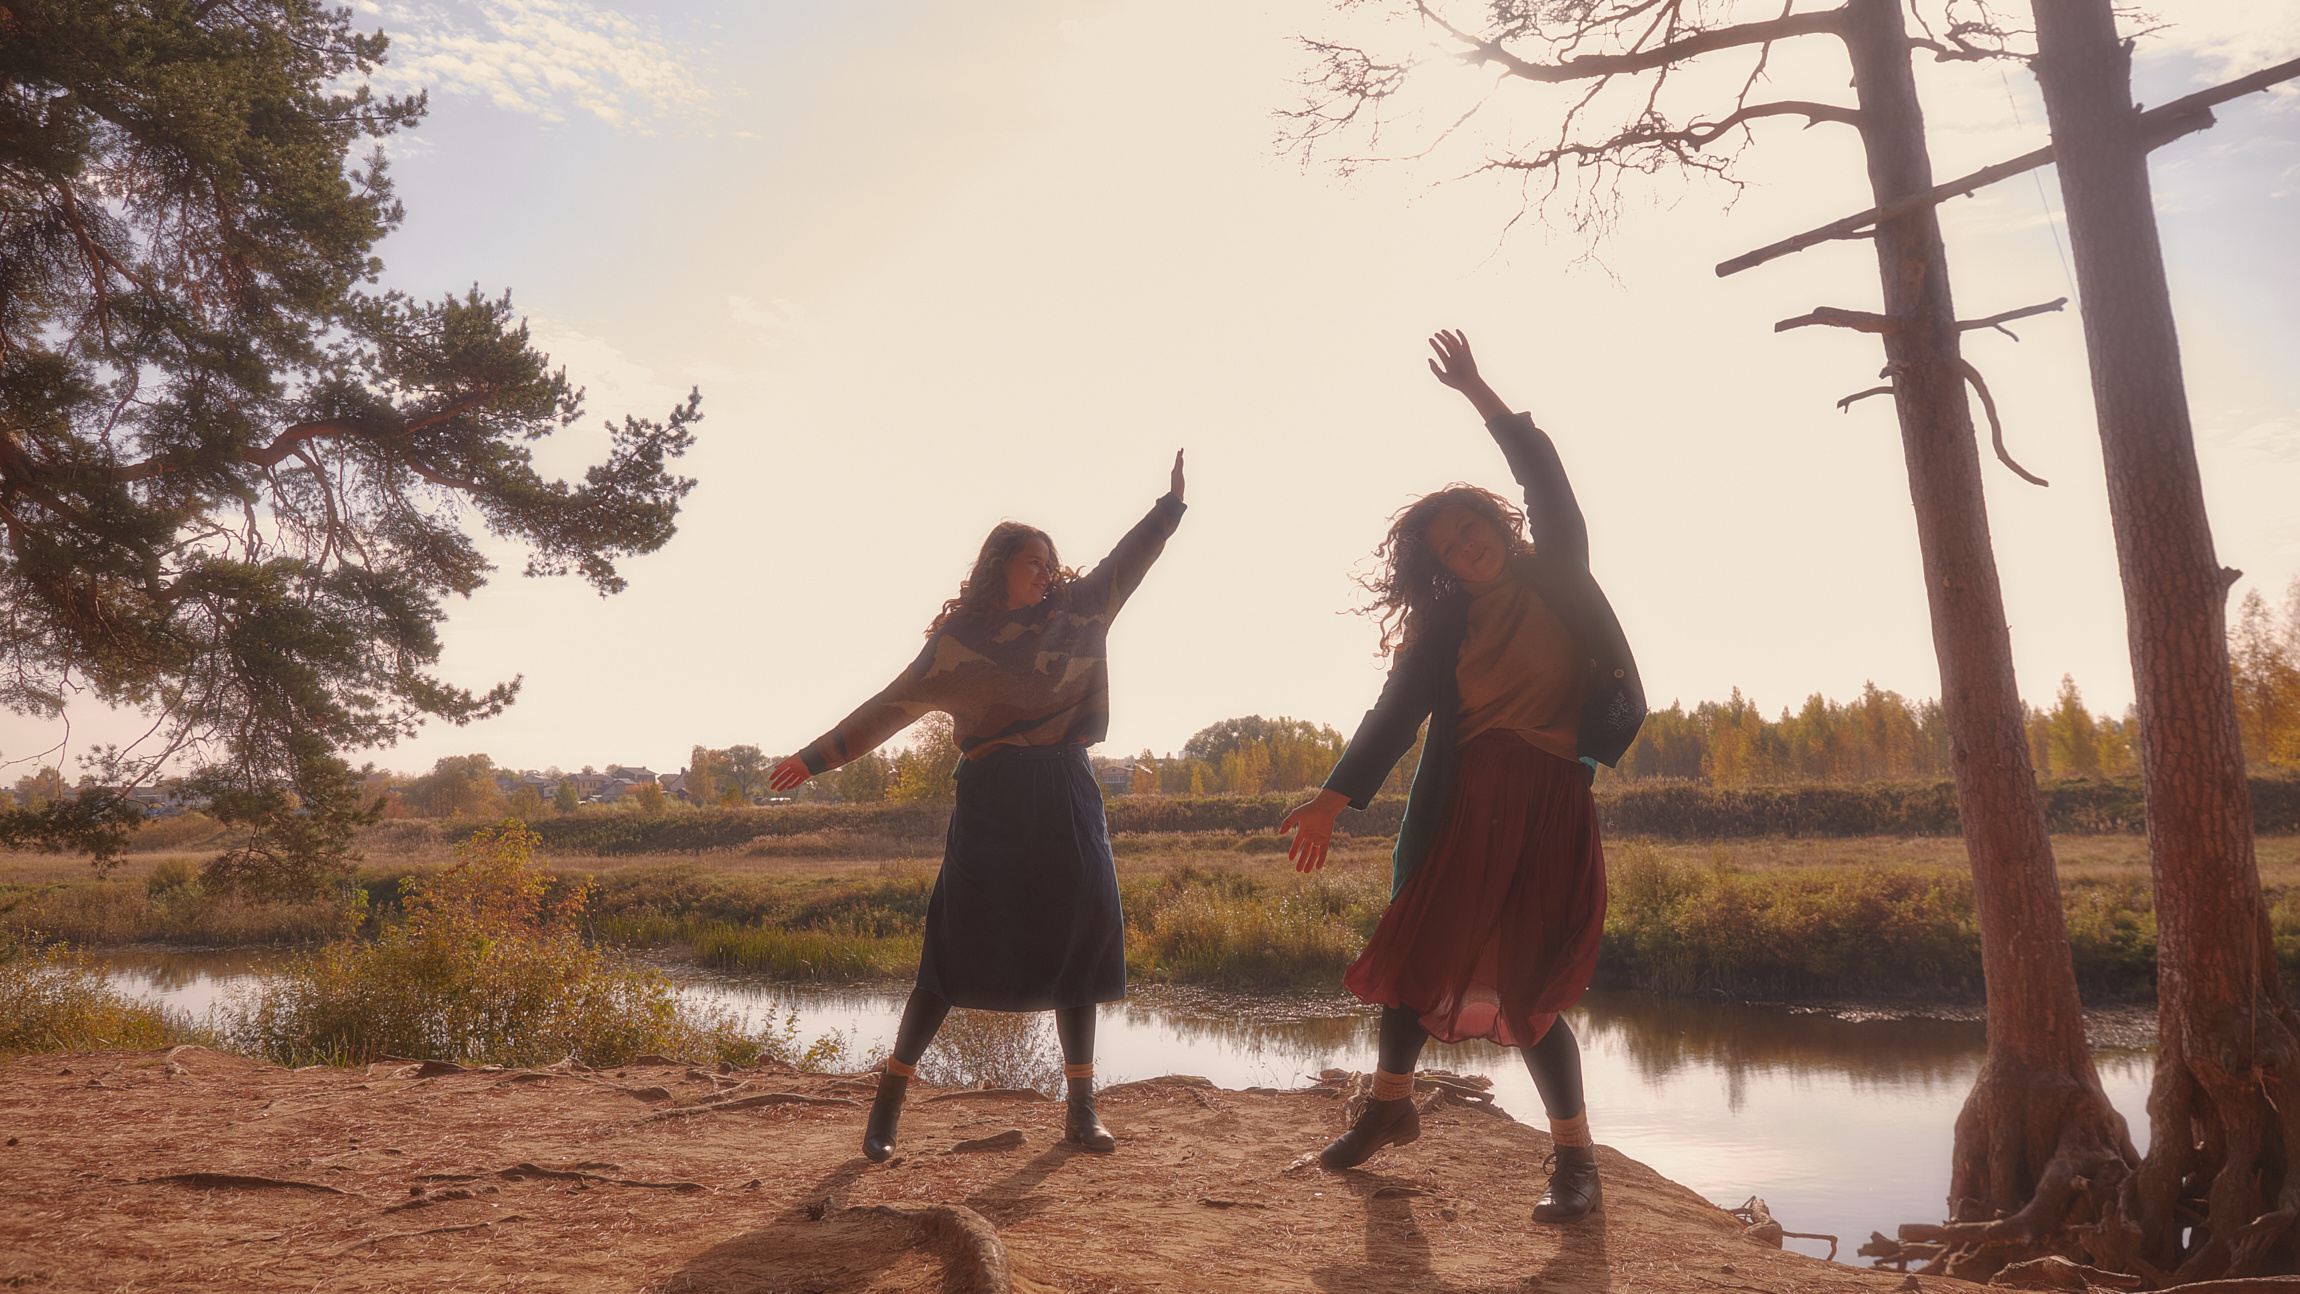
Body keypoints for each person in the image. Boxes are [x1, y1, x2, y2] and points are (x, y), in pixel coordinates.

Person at [1281, 332, 1643, 1223]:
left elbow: (1547, 478)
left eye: (1470, 529)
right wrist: (1333, 797)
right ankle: (1389, 1108)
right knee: (1412, 961)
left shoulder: (1558, 570)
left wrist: (1480, 392)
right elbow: (1395, 713)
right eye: (1446, 544)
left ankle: (1575, 1164)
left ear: (1497, 527)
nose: (1463, 545)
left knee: (1529, 982)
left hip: (1552, 801)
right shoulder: (1444, 627)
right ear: (1437, 562)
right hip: (1465, 802)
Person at [768, 451, 1186, 1162]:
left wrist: (1168, 509)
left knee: (1077, 943)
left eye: (1050, 562)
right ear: (999, 568)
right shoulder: (958, 645)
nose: (1045, 573)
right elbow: (889, 707)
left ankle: (1081, 1110)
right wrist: (813, 758)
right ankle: (889, 1103)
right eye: (1031, 563)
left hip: (1068, 792)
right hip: (993, 800)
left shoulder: (1082, 611)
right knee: (954, 948)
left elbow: (1129, 559)